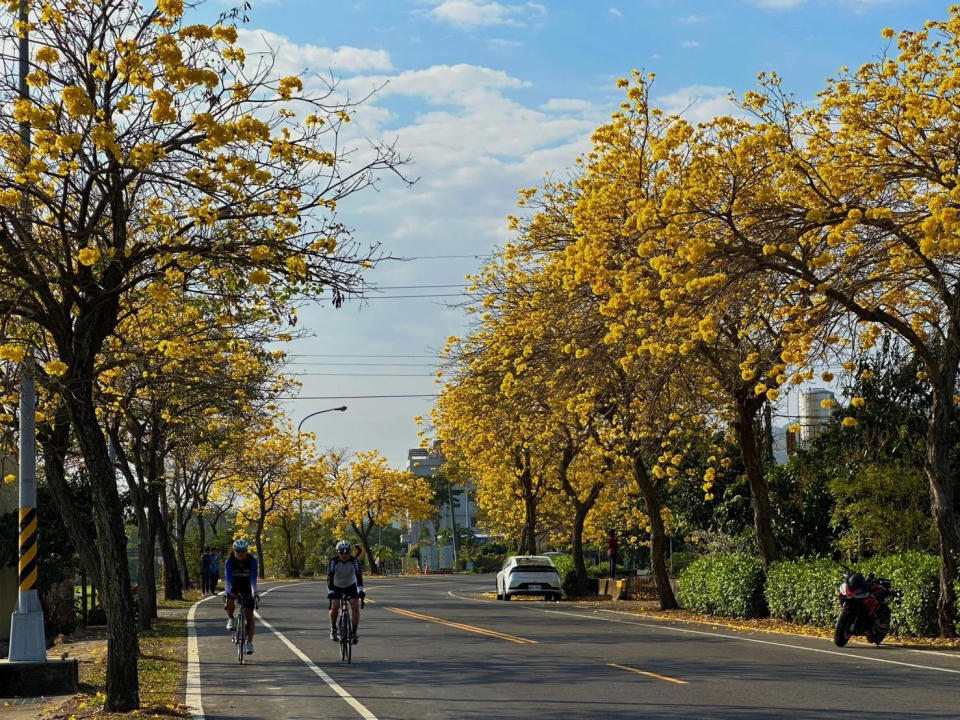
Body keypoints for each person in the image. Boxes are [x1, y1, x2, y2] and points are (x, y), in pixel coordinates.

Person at [224, 539, 259, 654]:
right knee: (229, 601)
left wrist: (255, 592)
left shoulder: (252, 561)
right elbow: (228, 579)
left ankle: (249, 643)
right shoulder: (230, 562)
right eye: (238, 551)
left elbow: (253, 578)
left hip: (247, 588)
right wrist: (229, 592)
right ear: (234, 551)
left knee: (249, 617)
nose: (240, 553)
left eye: (243, 551)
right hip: (234, 586)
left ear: (246, 551)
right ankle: (230, 619)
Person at [327, 539, 364, 644]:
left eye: (347, 552)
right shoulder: (334, 561)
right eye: (341, 552)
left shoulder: (355, 561)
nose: (344, 555)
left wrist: (360, 590)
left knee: (355, 606)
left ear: (350, 552)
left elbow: (358, 576)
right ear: (337, 552)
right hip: (336, 586)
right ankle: (334, 628)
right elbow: (330, 576)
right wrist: (330, 591)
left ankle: (353, 632)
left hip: (350, 585)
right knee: (335, 606)